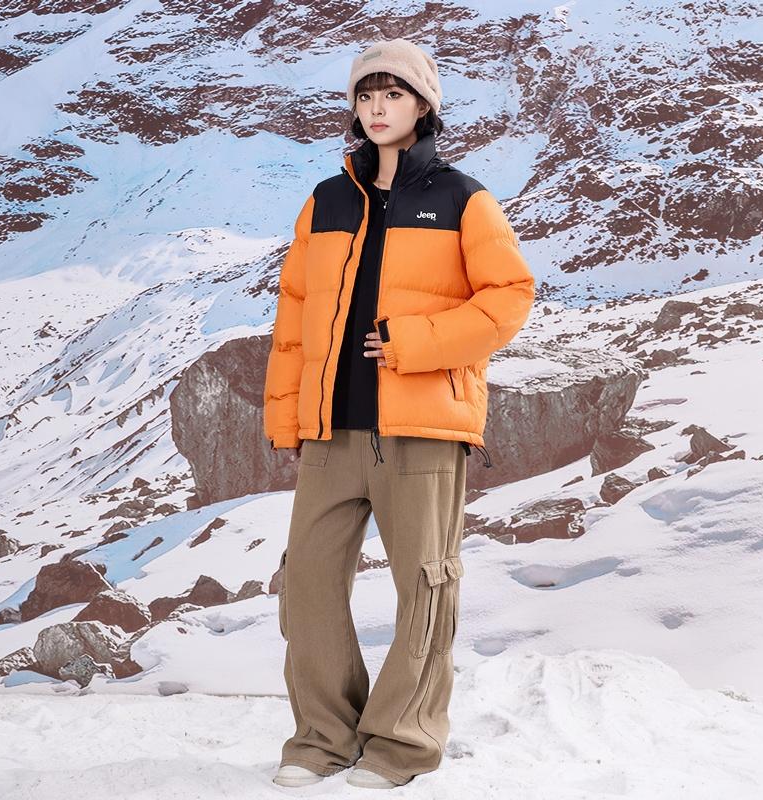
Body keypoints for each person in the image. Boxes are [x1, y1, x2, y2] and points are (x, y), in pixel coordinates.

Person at [264, 38, 536, 789]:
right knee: (308, 584)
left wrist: (418, 343)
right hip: (333, 431)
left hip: (420, 430)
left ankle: (401, 744)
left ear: (423, 105)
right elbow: (294, 315)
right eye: (366, 95)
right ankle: (322, 738)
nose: (377, 108)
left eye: (393, 94)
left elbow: (510, 296)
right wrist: (289, 419)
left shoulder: (462, 199)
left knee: (424, 586)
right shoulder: (326, 200)